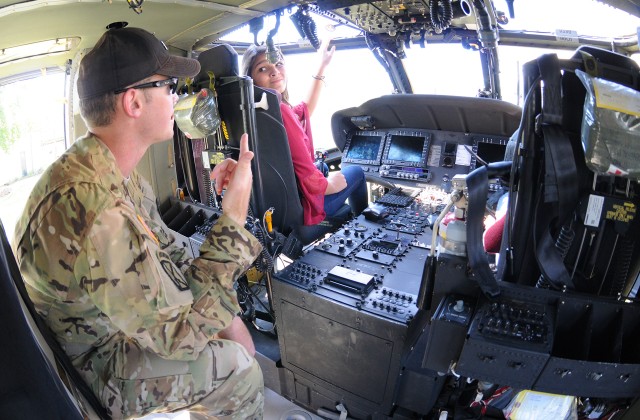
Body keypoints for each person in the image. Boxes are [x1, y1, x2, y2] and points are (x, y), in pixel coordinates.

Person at [12, 26, 263, 419]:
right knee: (238, 370)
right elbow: (180, 339)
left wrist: (228, 317)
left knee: (221, 326)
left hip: (114, 325)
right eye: (168, 87)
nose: (177, 97)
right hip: (89, 368)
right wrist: (233, 217)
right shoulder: (95, 210)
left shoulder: (108, 168)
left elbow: (165, 249)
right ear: (134, 102)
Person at [241, 40, 368, 226]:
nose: (274, 71)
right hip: (300, 210)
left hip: (274, 205)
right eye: (262, 69)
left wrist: (322, 65)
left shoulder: (254, 114)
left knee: (322, 168)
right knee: (356, 172)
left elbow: (304, 109)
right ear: (250, 77)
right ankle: (366, 231)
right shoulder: (280, 112)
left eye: (278, 64)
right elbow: (307, 174)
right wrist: (330, 185)